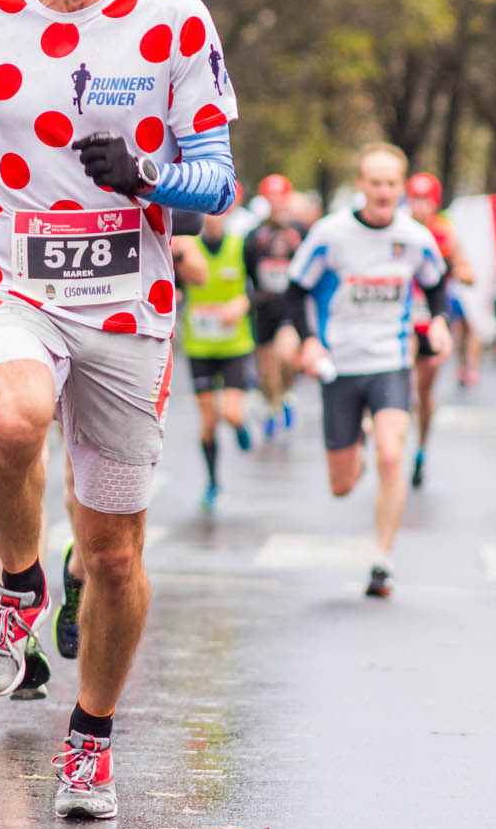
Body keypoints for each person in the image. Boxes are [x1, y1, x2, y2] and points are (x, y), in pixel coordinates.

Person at [0, 0, 237, 820]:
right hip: (13, 276)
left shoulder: (174, 20)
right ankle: (18, 588)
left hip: (130, 304)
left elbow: (216, 179)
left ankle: (90, 740)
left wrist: (148, 176)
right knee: (12, 419)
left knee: (113, 557)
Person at [285, 144, 448, 599]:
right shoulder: (331, 234)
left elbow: (438, 284)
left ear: (401, 187)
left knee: (391, 455)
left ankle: (383, 560)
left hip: (390, 362)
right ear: (360, 185)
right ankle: (357, 434)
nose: (383, 191)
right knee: (341, 486)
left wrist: (439, 321)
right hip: (340, 365)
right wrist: (309, 340)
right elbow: (295, 291)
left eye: (391, 183)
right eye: (375, 183)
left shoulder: (414, 237)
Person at [178, 204, 253, 509]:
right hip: (200, 347)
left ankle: (240, 426)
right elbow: (173, 284)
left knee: (231, 413)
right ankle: (212, 483)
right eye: (207, 212)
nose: (212, 218)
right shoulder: (187, 248)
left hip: (234, 345)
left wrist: (242, 304)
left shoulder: (240, 245)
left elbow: (259, 288)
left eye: (217, 212)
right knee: (208, 420)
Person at [404, 172, 473, 489]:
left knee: (424, 392)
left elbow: (467, 270)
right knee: (402, 380)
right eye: (415, 199)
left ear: (435, 203)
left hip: (433, 322)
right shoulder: (399, 229)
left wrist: (459, 270)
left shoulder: (446, 233)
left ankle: (420, 449)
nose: (420, 206)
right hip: (403, 321)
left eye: (426, 200)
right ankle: (390, 434)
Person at [244, 173, 305, 436]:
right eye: (272, 197)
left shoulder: (299, 232)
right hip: (264, 305)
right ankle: (272, 407)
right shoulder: (255, 235)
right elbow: (248, 267)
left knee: (287, 356)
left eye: (281, 197)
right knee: (266, 365)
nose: (276, 202)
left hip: (290, 306)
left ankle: (287, 394)